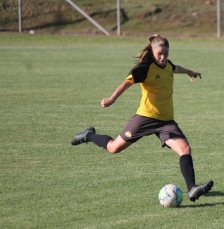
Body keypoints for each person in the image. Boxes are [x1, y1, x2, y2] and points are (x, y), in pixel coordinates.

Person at [71, 34, 213, 202]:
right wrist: (111, 99)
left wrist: (190, 72)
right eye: (159, 54)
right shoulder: (144, 68)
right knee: (114, 148)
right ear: (152, 52)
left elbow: (175, 68)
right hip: (145, 118)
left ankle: (192, 189)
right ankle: (88, 136)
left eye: (166, 53)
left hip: (166, 122)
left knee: (185, 149)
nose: (163, 57)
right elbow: (127, 82)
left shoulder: (167, 65)